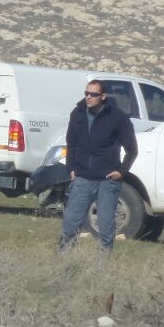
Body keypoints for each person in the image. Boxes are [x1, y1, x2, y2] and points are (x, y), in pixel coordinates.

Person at [59, 79, 137, 254]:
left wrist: (121, 171)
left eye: (93, 94)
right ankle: (64, 259)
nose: (88, 97)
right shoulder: (77, 113)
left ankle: (102, 263)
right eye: (86, 93)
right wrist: (71, 168)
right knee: (71, 221)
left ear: (103, 96)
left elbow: (132, 149)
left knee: (106, 223)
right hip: (82, 178)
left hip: (107, 181)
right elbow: (71, 142)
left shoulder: (118, 117)